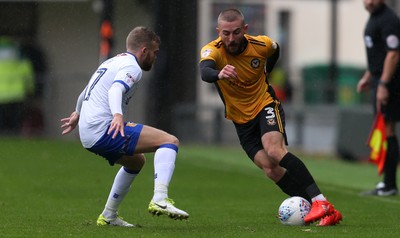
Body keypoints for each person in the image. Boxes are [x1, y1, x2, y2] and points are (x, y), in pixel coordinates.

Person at [199, 8, 342, 226]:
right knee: (270, 168)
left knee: (274, 151)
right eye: (225, 33)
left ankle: (321, 202)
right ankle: (320, 210)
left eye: (236, 32)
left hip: (264, 104)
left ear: (245, 29)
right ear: (218, 31)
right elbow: (205, 71)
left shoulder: (261, 44)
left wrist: (268, 70)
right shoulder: (213, 50)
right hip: (240, 120)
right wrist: (219, 73)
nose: (231, 38)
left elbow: (275, 49)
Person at [60, 26, 189, 227]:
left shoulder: (113, 61)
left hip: (88, 132)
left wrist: (77, 113)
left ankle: (109, 215)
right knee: (169, 141)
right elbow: (115, 89)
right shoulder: (133, 67)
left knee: (136, 162)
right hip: (102, 128)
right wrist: (117, 115)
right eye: (155, 53)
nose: (155, 58)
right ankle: (160, 198)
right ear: (144, 51)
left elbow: (85, 91)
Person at [357, 0, 400, 196]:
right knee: (384, 130)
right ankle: (386, 183)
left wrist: (383, 84)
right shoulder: (374, 18)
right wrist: (368, 77)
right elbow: (379, 54)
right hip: (378, 80)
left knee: (388, 129)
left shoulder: (388, 19)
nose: (369, 1)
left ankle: (389, 185)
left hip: (391, 83)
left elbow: (393, 54)